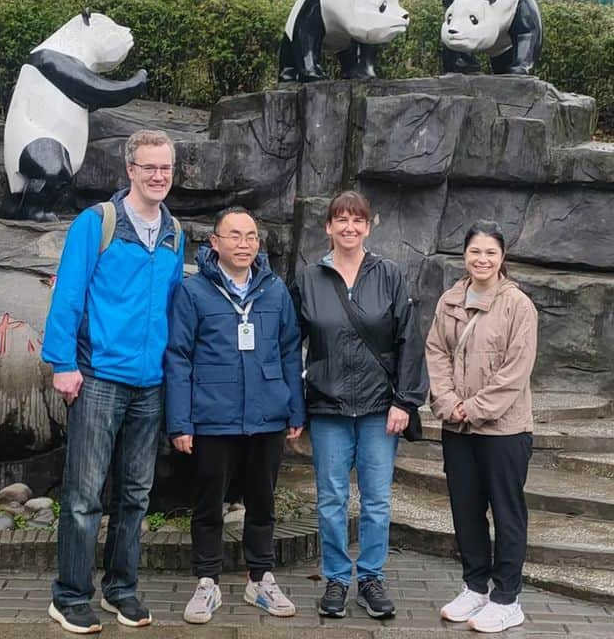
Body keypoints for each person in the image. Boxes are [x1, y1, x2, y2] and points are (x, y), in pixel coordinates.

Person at [42, 129, 186, 634]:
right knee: (83, 493)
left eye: (165, 167)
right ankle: (71, 595)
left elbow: (171, 307)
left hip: (150, 384)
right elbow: (69, 294)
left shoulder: (174, 232)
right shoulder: (97, 223)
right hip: (100, 377)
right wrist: (63, 362)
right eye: (149, 167)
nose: (158, 176)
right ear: (130, 169)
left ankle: (121, 590)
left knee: (136, 494)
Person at [290, 190, 427, 620]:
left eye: (358, 220)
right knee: (331, 499)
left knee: (376, 500)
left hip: (378, 409)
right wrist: (295, 406)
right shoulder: (309, 278)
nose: (349, 227)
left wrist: (404, 400)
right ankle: (335, 578)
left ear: (369, 226)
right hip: (328, 407)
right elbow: (290, 344)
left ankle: (370, 577)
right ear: (328, 227)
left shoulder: (389, 274)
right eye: (341, 219)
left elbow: (410, 340)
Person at [164, 207, 305, 624]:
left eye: (251, 236)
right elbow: (178, 357)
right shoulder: (193, 292)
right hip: (213, 418)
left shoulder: (274, 290)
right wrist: (180, 422)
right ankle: (206, 584)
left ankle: (260, 579)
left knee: (263, 502)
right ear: (215, 242)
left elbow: (288, 350)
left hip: (266, 417)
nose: (244, 244)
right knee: (208, 504)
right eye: (234, 236)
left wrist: (294, 406)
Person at [425, 220, 537, 634]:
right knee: (465, 509)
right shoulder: (451, 299)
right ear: (465, 255)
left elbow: (515, 371)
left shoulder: (518, 306)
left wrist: (471, 408)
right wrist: (449, 404)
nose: (482, 259)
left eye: (491, 252)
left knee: (507, 513)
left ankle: (507, 598)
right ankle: (475, 586)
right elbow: (436, 351)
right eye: (476, 252)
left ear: (502, 257)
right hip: (457, 429)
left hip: (504, 430)